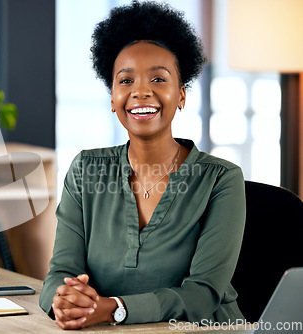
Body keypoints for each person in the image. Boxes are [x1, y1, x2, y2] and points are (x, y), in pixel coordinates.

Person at [39, 1, 246, 330]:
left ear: (181, 94)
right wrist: (64, 300)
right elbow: (60, 272)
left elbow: (202, 295)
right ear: (111, 98)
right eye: (126, 81)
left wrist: (115, 309)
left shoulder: (221, 180)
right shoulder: (85, 169)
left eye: (159, 80)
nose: (141, 92)